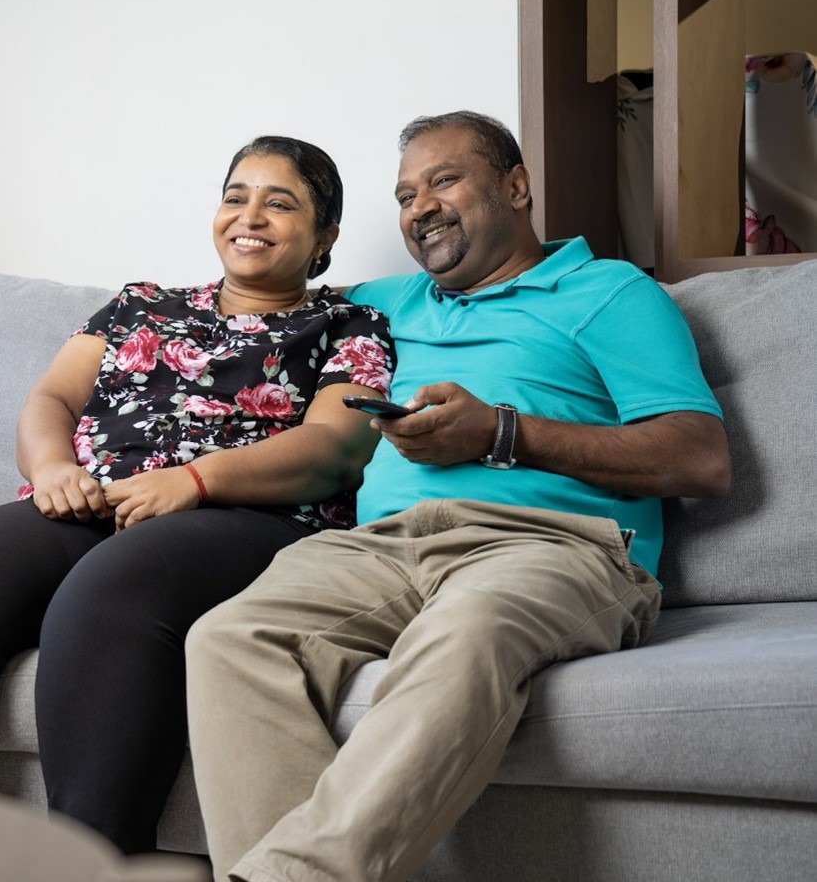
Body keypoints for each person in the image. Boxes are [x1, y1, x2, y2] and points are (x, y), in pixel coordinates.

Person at [184, 111, 732, 882]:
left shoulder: (608, 292)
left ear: (514, 186)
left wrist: (502, 434)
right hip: (378, 548)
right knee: (228, 636)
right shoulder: (382, 303)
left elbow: (701, 459)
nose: (419, 208)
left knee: (464, 631)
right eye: (406, 195)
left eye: (444, 181)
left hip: (550, 544)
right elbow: (256, 305)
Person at [0, 136, 397, 854]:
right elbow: (51, 395)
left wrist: (193, 480)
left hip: (245, 516)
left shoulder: (347, 324)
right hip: (94, 499)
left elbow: (334, 448)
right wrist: (52, 469)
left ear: (324, 234)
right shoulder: (140, 304)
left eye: (281, 202)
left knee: (108, 591)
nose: (250, 215)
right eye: (235, 196)